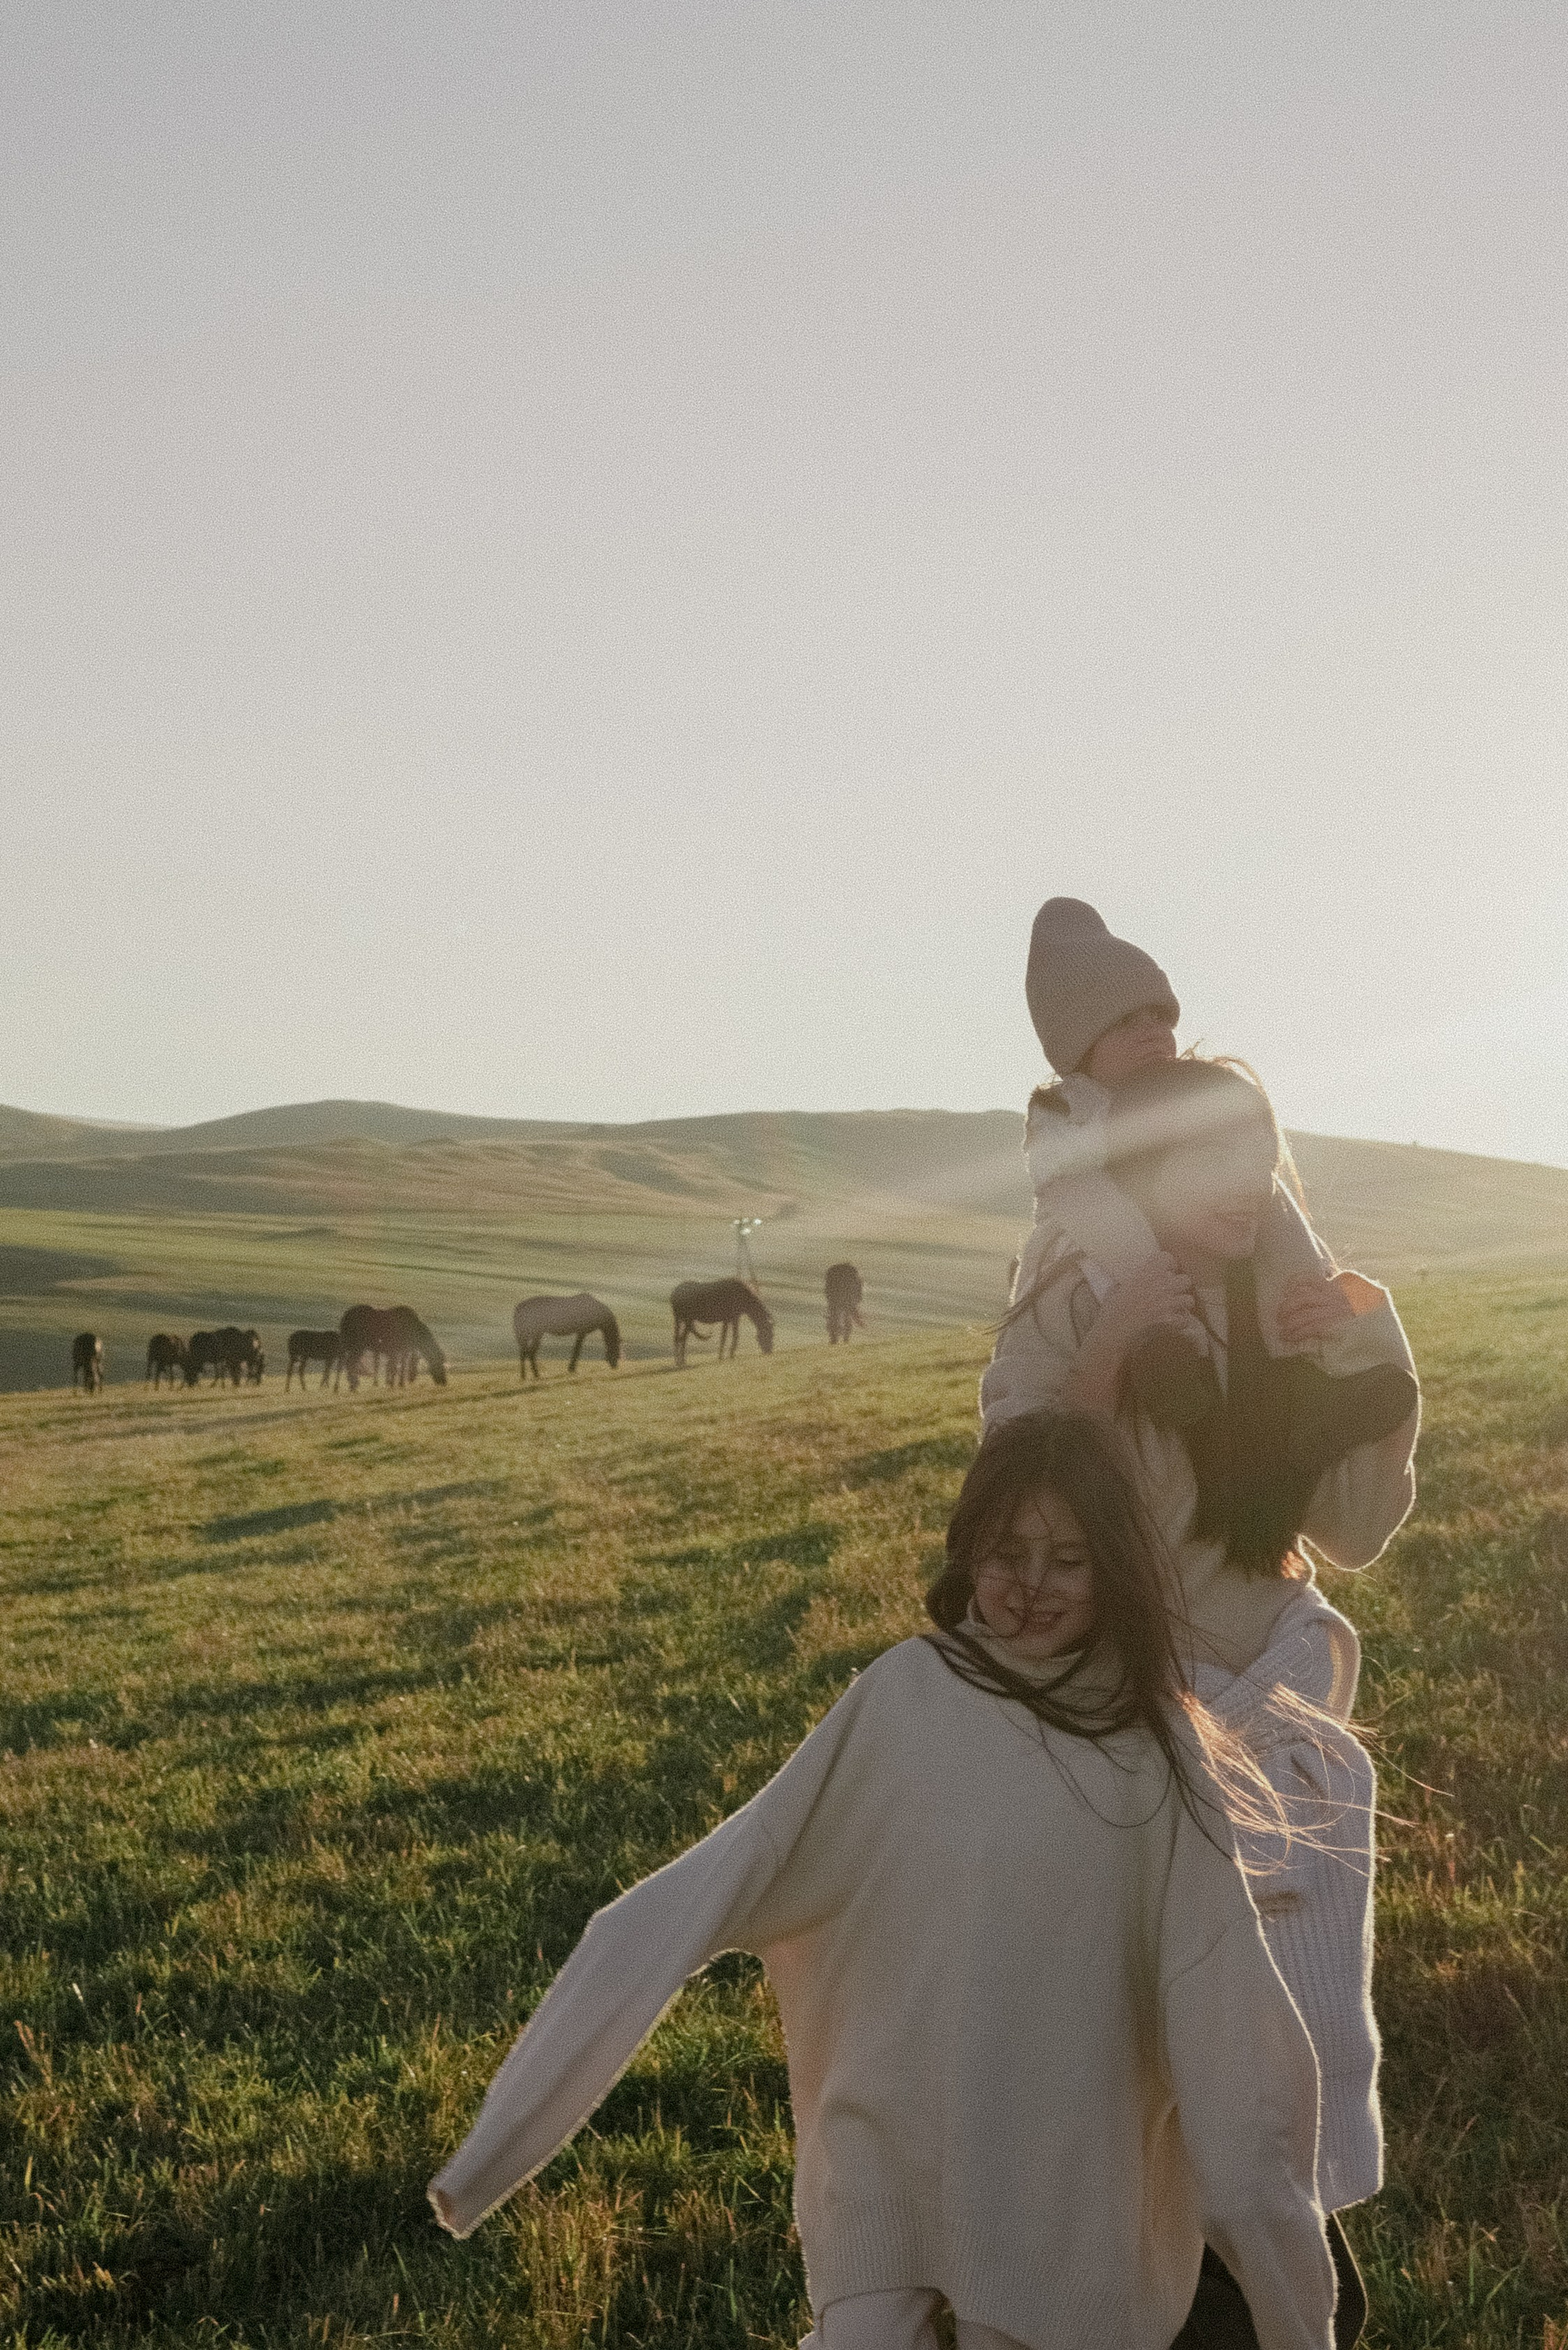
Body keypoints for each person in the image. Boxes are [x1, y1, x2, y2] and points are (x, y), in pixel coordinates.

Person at [430, 1411, 1339, 2350]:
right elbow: (693, 1895)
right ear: (965, 1553)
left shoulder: (1154, 1752)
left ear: (1114, 1564)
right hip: (883, 2166)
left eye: (1066, 1558)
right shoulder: (904, 1696)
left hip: (1057, 2205)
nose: (1030, 1585)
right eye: (1004, 1551)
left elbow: (1233, 2038)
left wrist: (1290, 2308)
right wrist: (494, 2153)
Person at [1001, 1052, 1421, 2350]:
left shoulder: (1276, 1305)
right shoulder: (1072, 1296)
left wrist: (1364, 1337)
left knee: (1285, 2069)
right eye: (1203, 1156)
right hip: (1129, 1731)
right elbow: (1011, 1531)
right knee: (1149, 2091)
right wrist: (1118, 1344)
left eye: (1259, 1153)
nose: (1242, 1185)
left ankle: (1281, 2267)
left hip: (1277, 1725)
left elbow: (1354, 1526)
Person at [982, 899, 1395, 1431]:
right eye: (1126, 1021)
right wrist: (1120, 1337)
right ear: (1078, 1044)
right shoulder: (1069, 1141)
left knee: (1295, 1254)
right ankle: (1171, 1356)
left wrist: (1338, 1302)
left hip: (1261, 1396)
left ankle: (1315, 1359)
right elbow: (1082, 1210)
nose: (1153, 1031)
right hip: (1139, 1327)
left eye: (1161, 1016)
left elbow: (1276, 1211)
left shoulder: (1209, 1111)